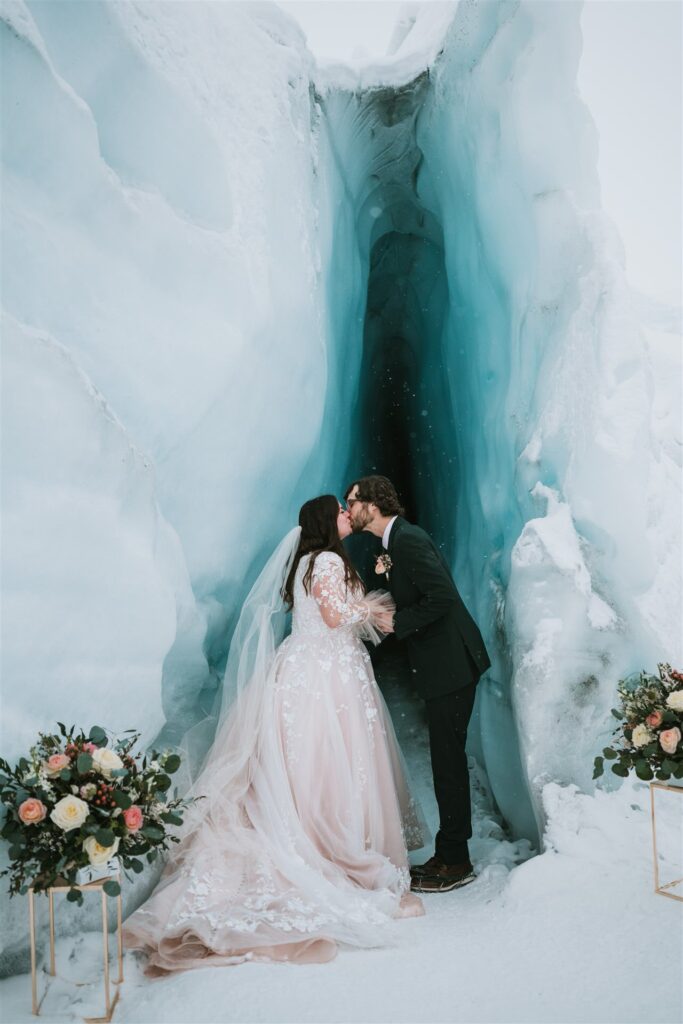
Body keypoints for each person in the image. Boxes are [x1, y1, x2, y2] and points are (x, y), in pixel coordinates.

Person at [123, 495, 425, 975]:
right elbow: (332, 617)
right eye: (342, 512)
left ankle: (312, 829)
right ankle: (329, 843)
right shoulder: (325, 558)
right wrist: (371, 612)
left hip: (311, 665)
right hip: (325, 671)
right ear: (328, 521)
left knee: (305, 760)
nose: (349, 516)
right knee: (331, 758)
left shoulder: (306, 560)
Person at [345, 476, 491, 893]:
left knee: (447, 761)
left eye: (351, 501)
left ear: (372, 506)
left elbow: (442, 595)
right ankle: (449, 853)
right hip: (444, 664)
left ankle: (456, 860)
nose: (348, 508)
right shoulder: (393, 543)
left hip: (452, 664)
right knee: (445, 759)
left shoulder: (406, 540)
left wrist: (398, 623)